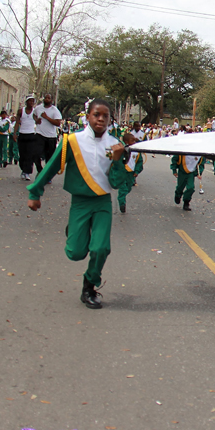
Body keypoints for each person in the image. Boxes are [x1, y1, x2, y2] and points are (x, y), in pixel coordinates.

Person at [27, 99, 126, 309]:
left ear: (110, 119)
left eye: (105, 116)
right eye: (96, 114)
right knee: (75, 252)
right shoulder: (72, 140)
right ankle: (73, 230)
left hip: (102, 203)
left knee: (100, 248)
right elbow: (51, 167)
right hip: (80, 202)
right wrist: (35, 193)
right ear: (88, 117)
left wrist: (118, 159)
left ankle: (90, 286)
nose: (100, 119)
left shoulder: (115, 144)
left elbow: (118, 183)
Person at [15, 95, 41, 181]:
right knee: (22, 155)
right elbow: (17, 122)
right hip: (22, 134)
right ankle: (23, 169)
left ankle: (27, 172)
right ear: (26, 102)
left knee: (29, 155)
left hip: (31, 134)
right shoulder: (21, 111)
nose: (31, 103)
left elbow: (37, 121)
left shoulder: (34, 112)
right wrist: (15, 133)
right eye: (29, 101)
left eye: (32, 101)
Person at [117, 133, 144, 214]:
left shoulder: (137, 151)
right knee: (123, 189)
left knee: (128, 188)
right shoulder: (122, 150)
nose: (134, 141)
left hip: (131, 173)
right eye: (132, 140)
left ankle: (123, 197)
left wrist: (136, 171)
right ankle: (122, 203)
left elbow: (139, 162)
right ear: (126, 142)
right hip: (122, 172)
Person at [35, 93, 62, 166]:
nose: (47, 99)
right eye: (45, 98)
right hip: (40, 134)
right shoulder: (38, 108)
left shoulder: (54, 110)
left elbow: (58, 123)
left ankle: (46, 174)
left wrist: (46, 117)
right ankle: (40, 171)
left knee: (49, 158)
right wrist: (36, 120)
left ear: (51, 100)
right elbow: (34, 115)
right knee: (36, 154)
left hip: (51, 136)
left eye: (48, 98)